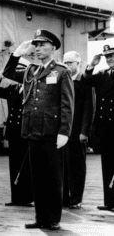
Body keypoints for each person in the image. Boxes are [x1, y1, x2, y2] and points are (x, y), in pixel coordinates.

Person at [3, 29, 74, 231]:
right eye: (37, 45)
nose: (38, 48)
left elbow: (67, 104)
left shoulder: (61, 71)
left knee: (53, 177)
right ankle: (40, 217)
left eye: (43, 45)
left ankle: (53, 219)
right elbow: (8, 73)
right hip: (33, 130)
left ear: (53, 47)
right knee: (38, 178)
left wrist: (64, 132)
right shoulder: (30, 70)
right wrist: (16, 54)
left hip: (52, 133)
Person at [0, 58, 34, 207]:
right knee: (14, 165)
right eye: (16, 70)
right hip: (14, 132)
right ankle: (16, 198)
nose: (18, 73)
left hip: (27, 131)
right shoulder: (13, 88)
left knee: (27, 166)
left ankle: (28, 197)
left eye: (22, 70)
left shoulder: (34, 88)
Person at [81, 44, 114, 211]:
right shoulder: (102, 74)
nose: (109, 60)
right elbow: (85, 80)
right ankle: (109, 202)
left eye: (112, 56)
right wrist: (92, 65)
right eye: (107, 57)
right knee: (107, 165)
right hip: (106, 128)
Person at [62, 51, 93, 209]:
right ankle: (64, 198)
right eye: (65, 62)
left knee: (77, 168)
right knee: (63, 167)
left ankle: (76, 199)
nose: (67, 65)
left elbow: (89, 108)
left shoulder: (85, 82)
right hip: (62, 132)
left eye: (70, 63)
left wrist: (84, 132)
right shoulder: (62, 80)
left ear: (78, 64)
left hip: (77, 132)